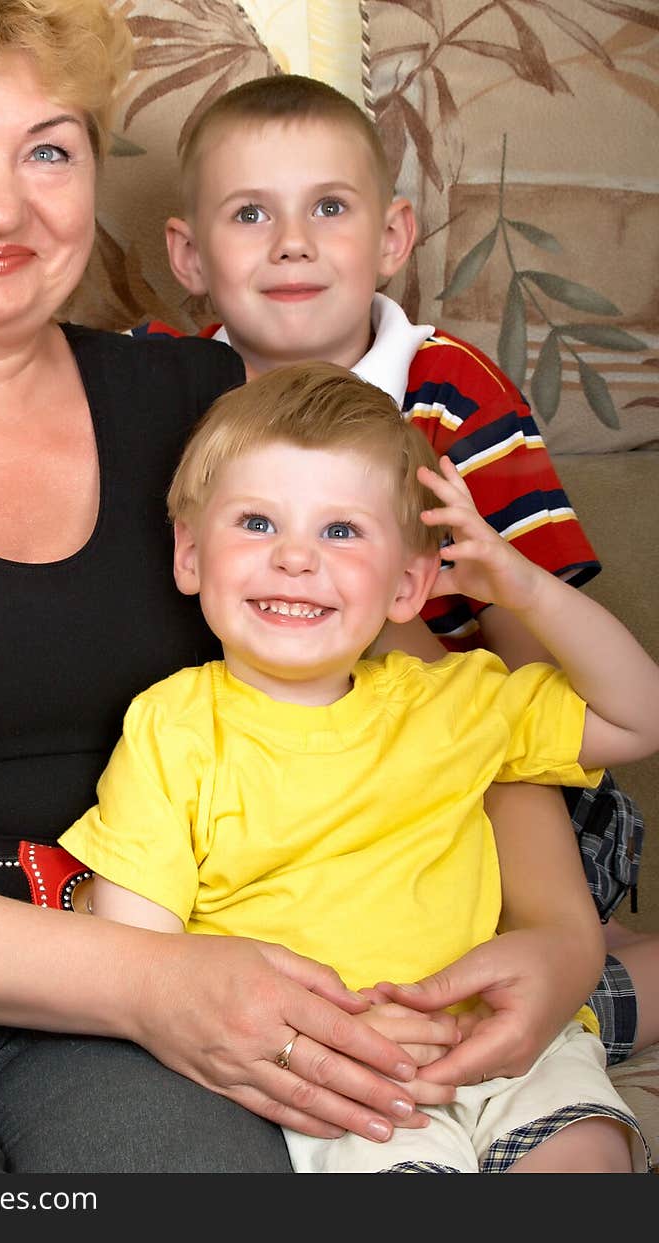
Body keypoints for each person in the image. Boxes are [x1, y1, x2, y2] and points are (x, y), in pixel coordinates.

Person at [0, 0, 475, 1175]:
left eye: (49, 148)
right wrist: (154, 982)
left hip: (159, 938)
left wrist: (564, 940)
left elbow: (429, 702)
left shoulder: (197, 397)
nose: (3, 206)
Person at [130, 72, 657, 1065]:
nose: (293, 241)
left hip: (482, 752)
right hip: (272, 758)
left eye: (329, 207)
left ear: (392, 237)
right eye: (251, 213)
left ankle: (589, 992)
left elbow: (524, 652)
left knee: (517, 949)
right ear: (188, 254)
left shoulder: (449, 389)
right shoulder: (157, 378)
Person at [60, 362, 654, 1172]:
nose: (297, 558)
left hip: (501, 1043)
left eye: (340, 531)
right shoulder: (172, 727)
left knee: (584, 1158)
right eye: (258, 523)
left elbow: (637, 715)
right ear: (191, 555)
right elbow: (145, 963)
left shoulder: (455, 700)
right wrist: (298, 1039)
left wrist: (523, 588)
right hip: (333, 1078)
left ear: (409, 582)